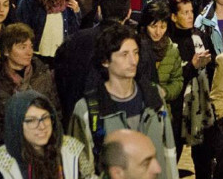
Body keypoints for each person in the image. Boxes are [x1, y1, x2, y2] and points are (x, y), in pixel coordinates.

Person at [69, 23, 177, 179]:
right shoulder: (88, 109)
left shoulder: (153, 96)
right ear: (105, 61)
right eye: (124, 54)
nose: (133, 61)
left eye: (136, 53)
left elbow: (168, 150)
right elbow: (80, 166)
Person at [0, 22, 60, 153]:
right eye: (22, 47)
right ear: (6, 51)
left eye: (30, 46)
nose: (29, 52)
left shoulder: (43, 76)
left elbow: (55, 113)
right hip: (4, 152)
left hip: (40, 150)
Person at [0, 90, 95, 179]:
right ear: (16, 125)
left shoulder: (71, 150)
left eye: (45, 118)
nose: (42, 126)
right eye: (31, 120)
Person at [138, 0, 183, 106]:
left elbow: (177, 81)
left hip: (162, 111)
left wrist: (164, 92)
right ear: (145, 25)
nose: (158, 32)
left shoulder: (171, 50)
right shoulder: (135, 48)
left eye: (163, 27)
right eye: (153, 27)